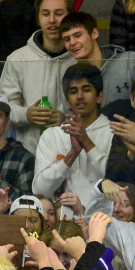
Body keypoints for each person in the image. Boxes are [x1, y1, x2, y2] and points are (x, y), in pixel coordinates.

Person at [0, 0, 74, 153]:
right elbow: (3, 106)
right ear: (38, 19)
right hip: (28, 154)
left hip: (73, 152)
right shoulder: (18, 58)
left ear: (70, 18)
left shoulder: (79, 59)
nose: (52, 20)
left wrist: (65, 118)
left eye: (59, 13)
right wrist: (26, 114)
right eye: (45, 14)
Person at [34, 64, 113, 205]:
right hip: (63, 222)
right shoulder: (52, 135)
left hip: (104, 220)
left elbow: (116, 182)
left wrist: (87, 142)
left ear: (99, 96)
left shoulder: (113, 132)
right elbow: (40, 191)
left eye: (86, 90)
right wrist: (72, 154)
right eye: (73, 91)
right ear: (66, 100)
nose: (80, 96)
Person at [60, 11, 135, 113]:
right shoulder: (67, 72)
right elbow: (69, 113)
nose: (72, 42)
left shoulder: (129, 61)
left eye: (77, 35)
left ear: (94, 34)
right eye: (66, 39)